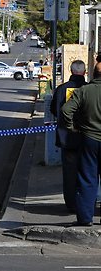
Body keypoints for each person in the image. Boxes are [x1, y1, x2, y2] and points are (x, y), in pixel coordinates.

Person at [61, 62, 101, 226]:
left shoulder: (84, 91)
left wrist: (72, 128)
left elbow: (66, 110)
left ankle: (85, 218)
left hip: (89, 138)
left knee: (87, 178)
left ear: (92, 73)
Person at [50, 59, 86, 213]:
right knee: (87, 172)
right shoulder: (88, 89)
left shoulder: (61, 89)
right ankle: (85, 202)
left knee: (69, 173)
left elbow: (53, 109)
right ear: (84, 72)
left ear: (71, 71)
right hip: (86, 137)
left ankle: (71, 203)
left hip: (67, 137)